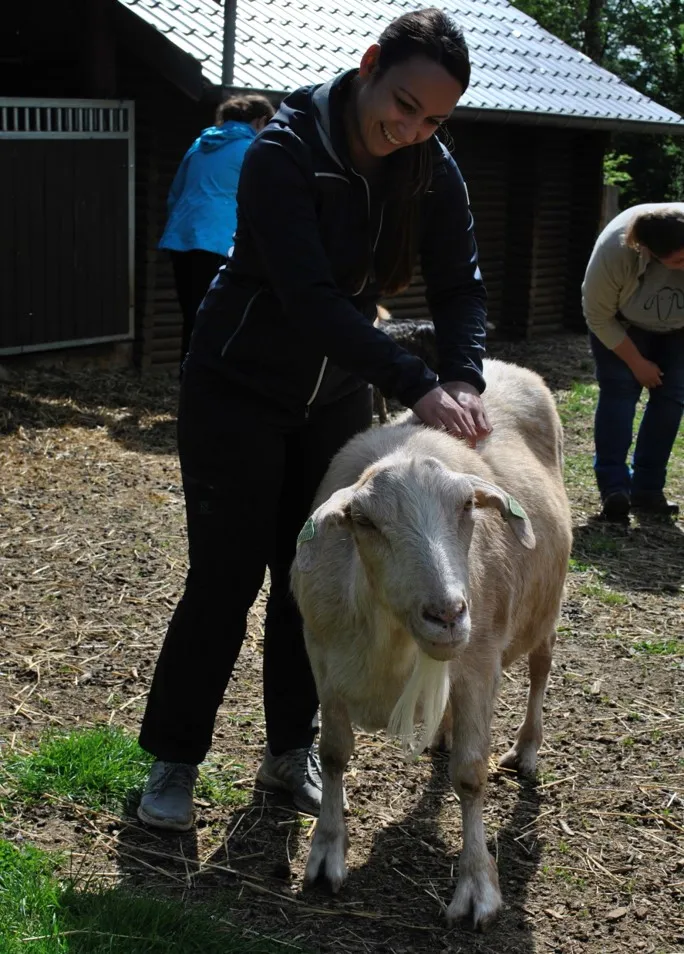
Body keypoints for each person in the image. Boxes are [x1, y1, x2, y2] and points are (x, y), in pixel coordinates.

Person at [137, 7, 491, 832]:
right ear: (369, 64)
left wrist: (465, 376)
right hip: (238, 386)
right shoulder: (283, 150)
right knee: (224, 581)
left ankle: (289, 751)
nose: (412, 131)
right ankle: (174, 762)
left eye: (434, 119)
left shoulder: (431, 163)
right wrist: (415, 382)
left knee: (314, 580)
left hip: (333, 398)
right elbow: (310, 301)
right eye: (404, 106)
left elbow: (460, 281)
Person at [582, 203, 684, 521]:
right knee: (620, 393)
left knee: (672, 399)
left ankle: (648, 490)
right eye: (680, 260)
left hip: (679, 329)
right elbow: (597, 315)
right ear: (652, 252)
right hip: (621, 325)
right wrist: (637, 362)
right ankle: (615, 489)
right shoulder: (615, 249)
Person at [159, 94, 275, 369]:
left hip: (182, 239)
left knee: (193, 314)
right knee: (222, 316)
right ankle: (211, 385)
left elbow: (175, 195)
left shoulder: (199, 145)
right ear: (260, 120)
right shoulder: (252, 148)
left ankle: (187, 380)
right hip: (218, 242)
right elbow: (266, 201)